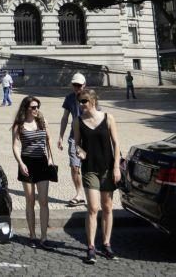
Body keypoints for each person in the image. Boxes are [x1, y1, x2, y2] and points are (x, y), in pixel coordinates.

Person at [73, 89, 122, 263]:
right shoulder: (78, 121)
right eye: (80, 101)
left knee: (107, 207)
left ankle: (107, 243)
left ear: (93, 101)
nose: (81, 104)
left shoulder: (108, 117)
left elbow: (116, 144)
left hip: (108, 168)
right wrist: (79, 152)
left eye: (84, 101)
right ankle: (91, 246)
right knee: (93, 208)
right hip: (90, 169)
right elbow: (76, 144)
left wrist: (116, 167)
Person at [12, 96, 55, 248]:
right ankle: (32, 235)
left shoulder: (42, 122)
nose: (36, 109)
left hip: (42, 163)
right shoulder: (19, 125)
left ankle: (44, 236)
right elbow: (16, 146)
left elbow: (49, 141)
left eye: (37, 106)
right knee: (30, 200)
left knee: (43, 201)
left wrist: (50, 158)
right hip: (27, 163)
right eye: (33, 107)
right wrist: (20, 163)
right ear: (26, 108)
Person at [57, 72, 87, 207]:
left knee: (90, 168)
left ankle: (93, 194)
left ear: (84, 85)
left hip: (89, 138)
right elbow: (64, 118)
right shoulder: (69, 98)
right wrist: (60, 136)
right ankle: (79, 194)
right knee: (74, 166)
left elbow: (98, 116)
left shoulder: (90, 97)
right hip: (74, 137)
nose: (76, 88)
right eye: (74, 85)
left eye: (79, 85)